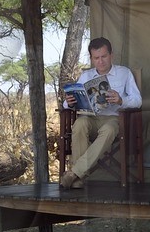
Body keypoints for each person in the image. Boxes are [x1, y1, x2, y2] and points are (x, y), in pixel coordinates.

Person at [59, 37, 141, 189]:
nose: (100, 61)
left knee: (109, 129)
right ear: (91, 58)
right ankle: (77, 177)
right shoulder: (86, 76)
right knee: (79, 124)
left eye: (104, 56)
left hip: (114, 119)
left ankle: (74, 173)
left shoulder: (124, 73)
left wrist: (121, 100)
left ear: (111, 55)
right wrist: (69, 102)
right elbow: (70, 102)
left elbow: (138, 100)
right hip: (90, 118)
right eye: (96, 58)